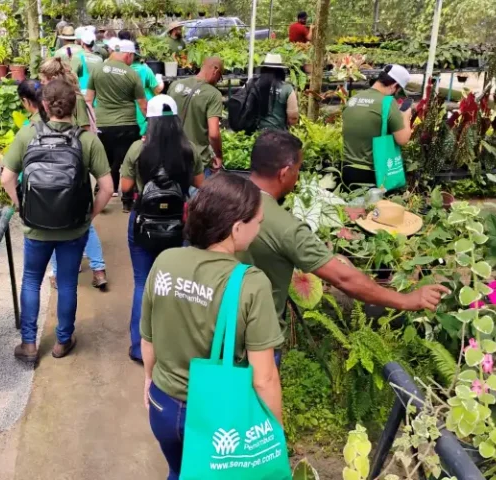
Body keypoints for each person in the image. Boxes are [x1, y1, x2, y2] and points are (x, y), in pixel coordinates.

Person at [240, 130, 450, 364]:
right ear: (284, 172)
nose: (298, 178)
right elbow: (344, 279)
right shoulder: (286, 227)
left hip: (208, 326)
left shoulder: (221, 196)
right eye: (298, 170)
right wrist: (406, 300)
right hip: (255, 343)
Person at [141, 173, 284, 479]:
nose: (259, 228)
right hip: (217, 418)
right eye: (257, 221)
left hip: (162, 405)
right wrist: (274, 433)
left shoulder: (165, 261)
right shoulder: (250, 283)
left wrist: (148, 383)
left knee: (179, 471)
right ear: (236, 228)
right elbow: (264, 378)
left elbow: (148, 340)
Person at [1, 79, 113, 361]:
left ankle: (29, 344)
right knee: (66, 283)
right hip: (73, 228)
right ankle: (63, 341)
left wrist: (23, 208)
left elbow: (7, 178)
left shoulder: (27, 135)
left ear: (44, 105)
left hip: (36, 228)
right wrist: (89, 215)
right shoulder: (87, 140)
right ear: (73, 106)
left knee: (30, 281)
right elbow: (108, 188)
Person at [121, 94, 205, 364]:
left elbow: (124, 187)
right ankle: (176, 348)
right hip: (180, 224)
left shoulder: (138, 149)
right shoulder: (189, 149)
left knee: (141, 283)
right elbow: (201, 184)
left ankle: (138, 347)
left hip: (143, 223)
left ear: (151, 121)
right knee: (179, 285)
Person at [38, 58, 108, 290]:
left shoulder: (72, 100)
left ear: (51, 78)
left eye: (43, 80)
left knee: (67, 220)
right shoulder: (73, 96)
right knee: (78, 220)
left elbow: (84, 132)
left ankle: (66, 272)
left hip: (73, 166)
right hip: (72, 166)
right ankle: (95, 268)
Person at [86, 39, 148, 210]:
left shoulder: (96, 70)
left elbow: (89, 100)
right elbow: (143, 105)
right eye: (133, 57)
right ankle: (128, 201)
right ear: (127, 54)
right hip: (127, 125)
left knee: (104, 161)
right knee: (129, 162)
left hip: (103, 124)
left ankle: (101, 193)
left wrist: (89, 126)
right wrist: (151, 123)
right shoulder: (131, 74)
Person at [341, 64, 413, 188]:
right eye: (398, 91)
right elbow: (403, 139)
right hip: (373, 174)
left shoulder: (353, 99)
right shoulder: (388, 103)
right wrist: (405, 116)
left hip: (346, 170)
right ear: (394, 86)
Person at [168, 57, 224, 174]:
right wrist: (218, 155)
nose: (217, 81)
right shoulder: (213, 94)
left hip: (172, 156)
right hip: (197, 161)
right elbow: (213, 134)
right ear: (215, 70)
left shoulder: (175, 85)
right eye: (219, 77)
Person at [255, 54, 299, 131]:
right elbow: (293, 117)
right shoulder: (287, 89)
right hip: (279, 134)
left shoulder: (255, 85)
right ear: (280, 71)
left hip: (257, 133)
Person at [132, 41, 164, 136]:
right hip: (144, 109)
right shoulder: (145, 69)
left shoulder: (125, 69)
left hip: (130, 111)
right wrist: (160, 81)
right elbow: (157, 89)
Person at [76, 29, 104, 93]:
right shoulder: (99, 59)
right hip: (94, 91)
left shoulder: (77, 57)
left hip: (81, 91)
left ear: (82, 43)